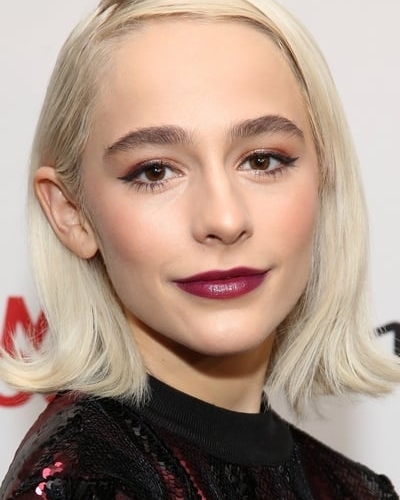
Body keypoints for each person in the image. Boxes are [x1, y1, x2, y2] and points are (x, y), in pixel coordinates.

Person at [1, 0, 399, 498]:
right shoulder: (85, 485)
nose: (224, 220)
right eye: (155, 171)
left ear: (324, 179)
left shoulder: (358, 490)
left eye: (262, 160)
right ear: (72, 213)